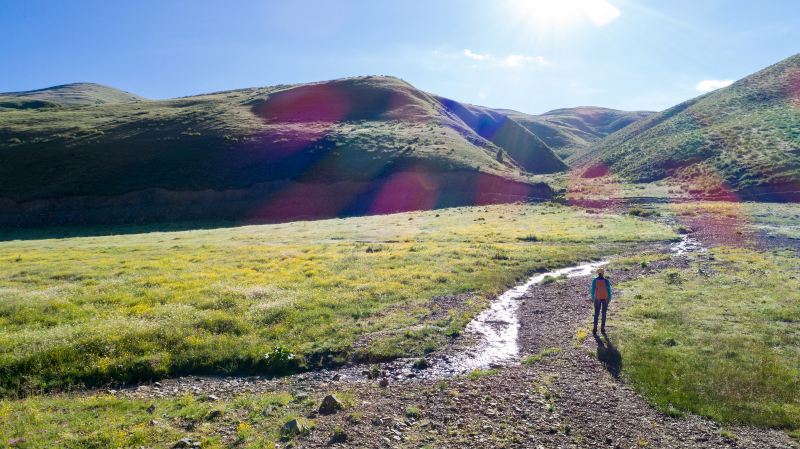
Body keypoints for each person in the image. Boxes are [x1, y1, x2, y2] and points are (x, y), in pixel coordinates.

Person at [590, 267, 612, 334]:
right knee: (604, 313)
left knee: (596, 313)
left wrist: (593, 298)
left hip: (597, 298)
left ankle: (595, 329)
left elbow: (592, 290)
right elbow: (609, 290)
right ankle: (602, 329)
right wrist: (609, 298)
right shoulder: (606, 281)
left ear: (597, 273)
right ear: (603, 273)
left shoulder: (594, 281)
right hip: (605, 298)